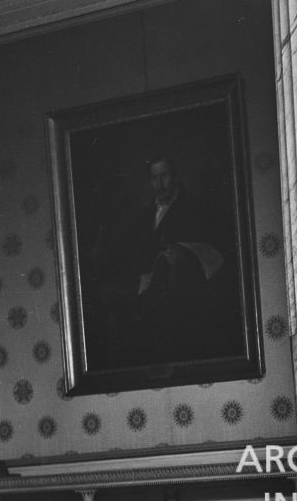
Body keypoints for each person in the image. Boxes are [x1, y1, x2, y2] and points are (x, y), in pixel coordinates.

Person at [89, 153, 238, 366]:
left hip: (178, 291)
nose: (160, 184)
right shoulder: (145, 213)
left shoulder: (193, 208)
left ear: (174, 175)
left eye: (164, 175)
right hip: (144, 284)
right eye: (155, 178)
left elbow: (208, 253)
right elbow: (132, 251)